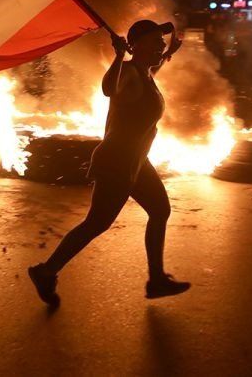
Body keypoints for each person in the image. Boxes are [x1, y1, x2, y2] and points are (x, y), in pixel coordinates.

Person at [27, 20, 190, 306]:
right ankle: (46, 271)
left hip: (136, 160)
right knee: (97, 223)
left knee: (160, 210)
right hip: (117, 161)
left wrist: (167, 55)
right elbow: (107, 88)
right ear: (137, 46)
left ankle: (156, 279)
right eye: (156, 42)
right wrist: (119, 55)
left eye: (162, 43)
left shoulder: (144, 73)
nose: (161, 46)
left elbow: (148, 69)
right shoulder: (128, 72)